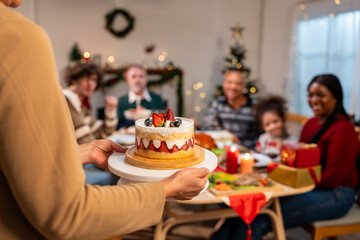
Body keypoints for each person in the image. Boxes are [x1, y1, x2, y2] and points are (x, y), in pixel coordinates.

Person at [0, 1, 209, 239]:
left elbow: (21, 159)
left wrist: (81, 151)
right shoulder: (17, 38)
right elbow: (65, 214)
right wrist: (168, 188)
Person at [211, 74, 359, 240]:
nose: (314, 99)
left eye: (321, 95)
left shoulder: (343, 129)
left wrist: (292, 180)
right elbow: (297, 161)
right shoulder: (311, 124)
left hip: (336, 194)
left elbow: (332, 179)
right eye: (310, 95)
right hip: (306, 185)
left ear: (336, 97)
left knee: (259, 218)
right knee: (244, 209)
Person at [63, 62, 120, 185]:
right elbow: (85, 142)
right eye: (85, 78)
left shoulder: (80, 106)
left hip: (82, 160)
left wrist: (111, 109)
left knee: (118, 170)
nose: (90, 84)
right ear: (74, 80)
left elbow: (103, 132)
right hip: (72, 164)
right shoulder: (66, 100)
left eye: (94, 80)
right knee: (116, 176)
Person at [202, 70, 259, 149]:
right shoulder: (218, 103)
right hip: (225, 150)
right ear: (224, 84)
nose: (233, 87)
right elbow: (207, 125)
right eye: (229, 82)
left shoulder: (255, 106)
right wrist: (223, 132)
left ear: (244, 86)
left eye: (238, 83)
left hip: (249, 152)